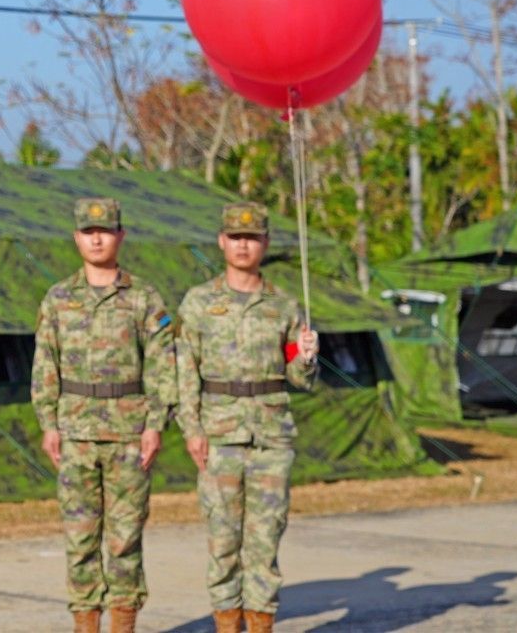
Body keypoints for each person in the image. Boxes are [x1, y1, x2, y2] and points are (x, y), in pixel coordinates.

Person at [32, 197, 177, 633]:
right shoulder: (59, 298)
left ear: (121, 235)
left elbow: (162, 365)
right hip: (75, 433)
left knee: (125, 538)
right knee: (79, 537)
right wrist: (48, 424)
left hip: (129, 433)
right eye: (88, 231)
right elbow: (45, 364)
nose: (97, 239)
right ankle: (85, 624)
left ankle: (123, 625)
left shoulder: (143, 297)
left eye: (105, 231)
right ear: (76, 237)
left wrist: (155, 424)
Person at [176, 202, 320, 633]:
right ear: (221, 242)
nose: (243, 245)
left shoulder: (284, 305)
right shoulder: (199, 302)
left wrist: (307, 357)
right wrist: (191, 429)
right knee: (223, 539)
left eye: (252, 238)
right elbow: (185, 371)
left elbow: (299, 377)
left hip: (271, 437)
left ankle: (260, 624)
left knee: (265, 538)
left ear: (265, 244)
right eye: (235, 237)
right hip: (219, 434)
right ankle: (226, 624)